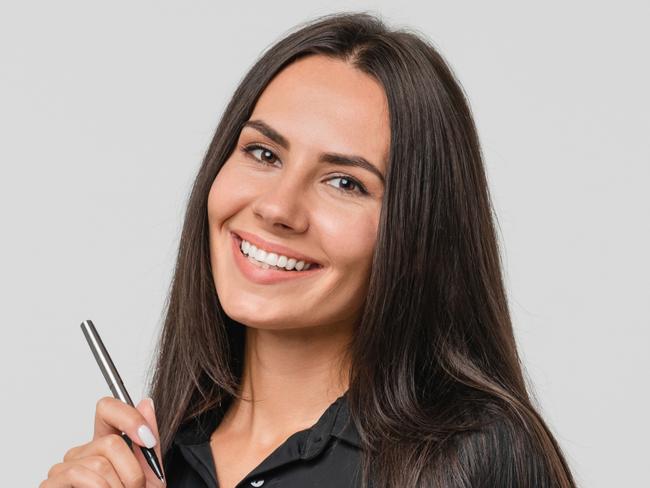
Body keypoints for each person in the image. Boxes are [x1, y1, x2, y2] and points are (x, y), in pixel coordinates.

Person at [40, 11, 577, 488]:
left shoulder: (469, 457)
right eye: (263, 152)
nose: (278, 208)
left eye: (345, 182)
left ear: (416, 232)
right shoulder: (164, 455)